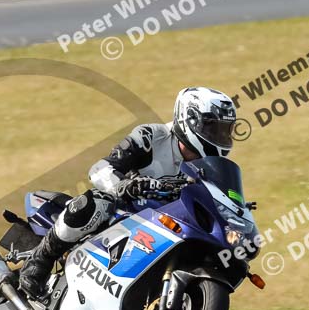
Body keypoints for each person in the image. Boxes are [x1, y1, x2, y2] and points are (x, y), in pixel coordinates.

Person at [18, 86, 238, 298]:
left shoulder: (210, 169)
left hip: (167, 227)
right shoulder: (152, 136)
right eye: (213, 129)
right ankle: (40, 260)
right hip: (125, 212)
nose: (219, 136)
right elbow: (99, 169)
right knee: (96, 202)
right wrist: (124, 185)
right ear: (189, 119)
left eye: (224, 130)